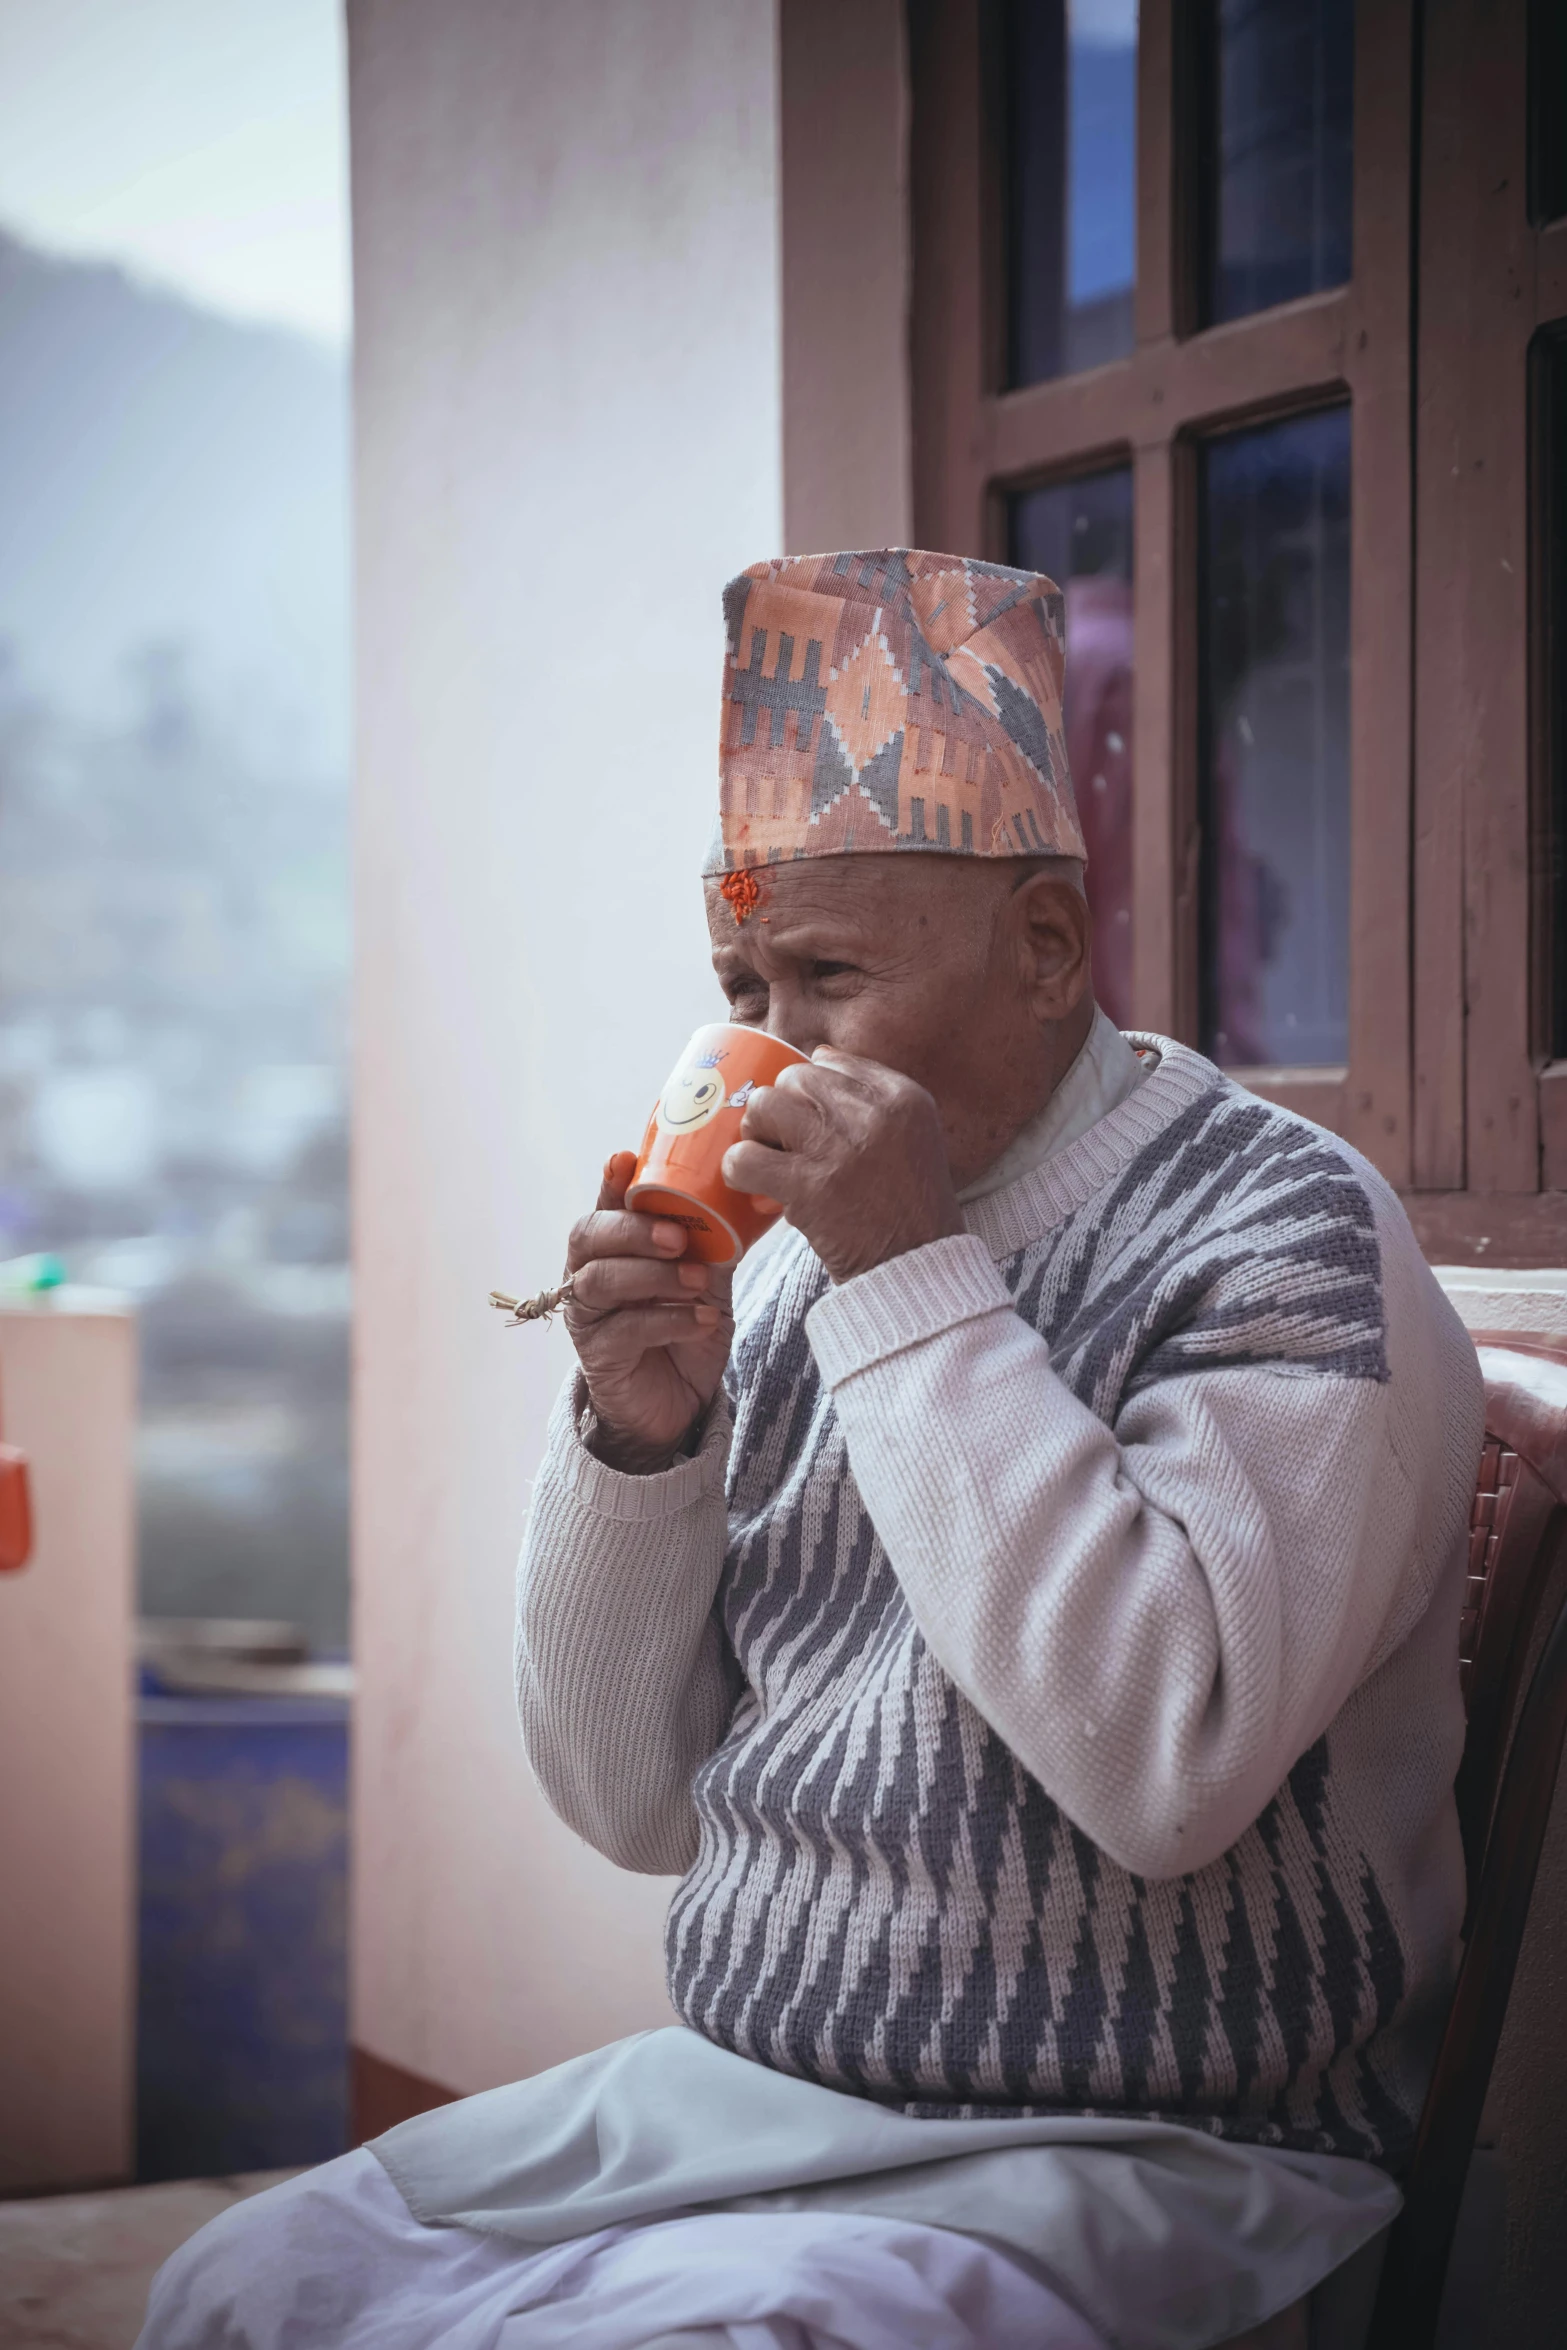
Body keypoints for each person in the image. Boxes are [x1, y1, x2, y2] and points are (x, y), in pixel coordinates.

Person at [139, 551, 1483, 2350]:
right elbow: (627, 1803)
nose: (763, 1056)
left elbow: (1163, 1758)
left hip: (1153, 2137)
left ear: (1042, 949)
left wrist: (910, 1276)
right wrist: (639, 1439)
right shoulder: (795, 1269)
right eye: (741, 983)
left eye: (827, 976)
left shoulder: (1280, 1229)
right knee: (241, 2284)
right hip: (752, 2088)